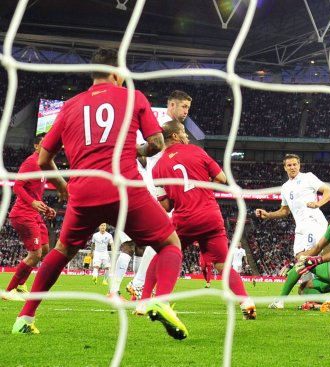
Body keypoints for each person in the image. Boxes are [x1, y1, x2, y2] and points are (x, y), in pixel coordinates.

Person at [11, 48, 187, 340]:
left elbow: (43, 160)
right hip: (124, 187)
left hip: (83, 192)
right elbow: (156, 143)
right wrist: (137, 150)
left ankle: (25, 317)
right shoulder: (133, 97)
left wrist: (66, 189)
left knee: (61, 252)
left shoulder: (69, 107)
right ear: (118, 73)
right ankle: (161, 299)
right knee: (170, 244)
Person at [147, 119, 256, 319]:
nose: (187, 136)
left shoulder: (157, 167)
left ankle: (154, 299)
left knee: (165, 253)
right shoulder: (197, 151)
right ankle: (246, 302)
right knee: (223, 265)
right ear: (175, 136)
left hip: (185, 218)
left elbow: (166, 206)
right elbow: (222, 179)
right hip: (211, 216)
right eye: (183, 132)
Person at [112, 90, 192, 300]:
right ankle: (131, 286)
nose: (186, 111)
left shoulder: (177, 130)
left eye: (188, 108)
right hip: (151, 186)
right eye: (183, 106)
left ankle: (137, 286)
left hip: (162, 186)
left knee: (152, 242)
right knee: (161, 238)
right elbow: (141, 150)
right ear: (172, 105)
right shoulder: (160, 126)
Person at [255, 153, 330, 309]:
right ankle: (312, 294)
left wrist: (319, 204)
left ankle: (282, 300)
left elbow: (328, 191)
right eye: (289, 165)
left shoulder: (308, 177)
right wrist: (268, 215)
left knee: (305, 259)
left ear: (299, 165)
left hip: (314, 222)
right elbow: (284, 211)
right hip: (301, 226)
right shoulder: (285, 187)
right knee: (300, 259)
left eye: (295, 164)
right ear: (284, 168)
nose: (292, 167)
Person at [277, 197, 330, 310]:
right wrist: (301, 260)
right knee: (304, 289)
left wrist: (313, 261)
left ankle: (279, 301)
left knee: (301, 266)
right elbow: (318, 247)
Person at [2, 134, 58, 302]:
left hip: (34, 213)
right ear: (36, 146)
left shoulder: (44, 165)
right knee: (35, 254)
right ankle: (9, 290)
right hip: (23, 214)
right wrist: (33, 203)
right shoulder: (30, 162)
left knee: (45, 249)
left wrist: (45, 207)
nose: (47, 146)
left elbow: (35, 192)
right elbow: (17, 187)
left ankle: (20, 285)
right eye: (43, 143)